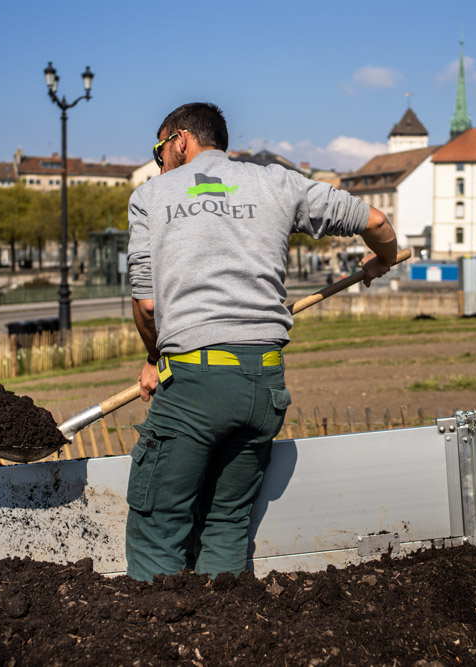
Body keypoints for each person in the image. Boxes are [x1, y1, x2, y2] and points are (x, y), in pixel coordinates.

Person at [125, 102, 398, 583]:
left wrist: (155, 358)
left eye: (158, 149)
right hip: (263, 384)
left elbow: (147, 306)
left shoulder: (152, 196)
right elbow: (375, 222)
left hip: (194, 382)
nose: (158, 162)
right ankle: (226, 632)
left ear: (181, 140)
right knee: (227, 522)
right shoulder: (278, 182)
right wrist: (385, 259)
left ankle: (158, 641)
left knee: (159, 525)